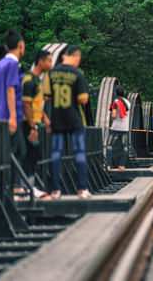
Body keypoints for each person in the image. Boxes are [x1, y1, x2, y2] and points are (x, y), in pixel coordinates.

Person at [44, 45, 91, 199]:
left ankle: (55, 190)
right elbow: (83, 99)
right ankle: (82, 189)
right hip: (75, 119)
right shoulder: (78, 74)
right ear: (76, 58)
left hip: (57, 119)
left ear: (64, 56)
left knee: (56, 153)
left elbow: (46, 97)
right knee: (79, 153)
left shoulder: (51, 73)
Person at [0, 31, 27, 191]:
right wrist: (13, 117)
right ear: (20, 45)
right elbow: (10, 89)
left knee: (17, 149)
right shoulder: (13, 64)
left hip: (2, 114)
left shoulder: (1, 63)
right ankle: (11, 187)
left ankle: (12, 186)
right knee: (16, 151)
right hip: (11, 116)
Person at [21, 50, 53, 198]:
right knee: (29, 154)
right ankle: (26, 187)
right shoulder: (29, 80)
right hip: (28, 124)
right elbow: (26, 105)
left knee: (34, 154)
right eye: (49, 61)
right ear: (41, 62)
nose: (51, 65)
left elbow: (35, 104)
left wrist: (45, 118)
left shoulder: (36, 80)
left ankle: (28, 186)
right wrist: (33, 127)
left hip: (34, 122)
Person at [106, 85, 130, 170]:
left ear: (115, 93)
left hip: (116, 128)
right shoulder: (128, 102)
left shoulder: (115, 102)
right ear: (124, 92)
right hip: (125, 128)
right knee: (124, 146)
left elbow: (114, 115)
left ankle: (108, 165)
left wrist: (111, 116)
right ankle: (122, 165)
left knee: (109, 145)